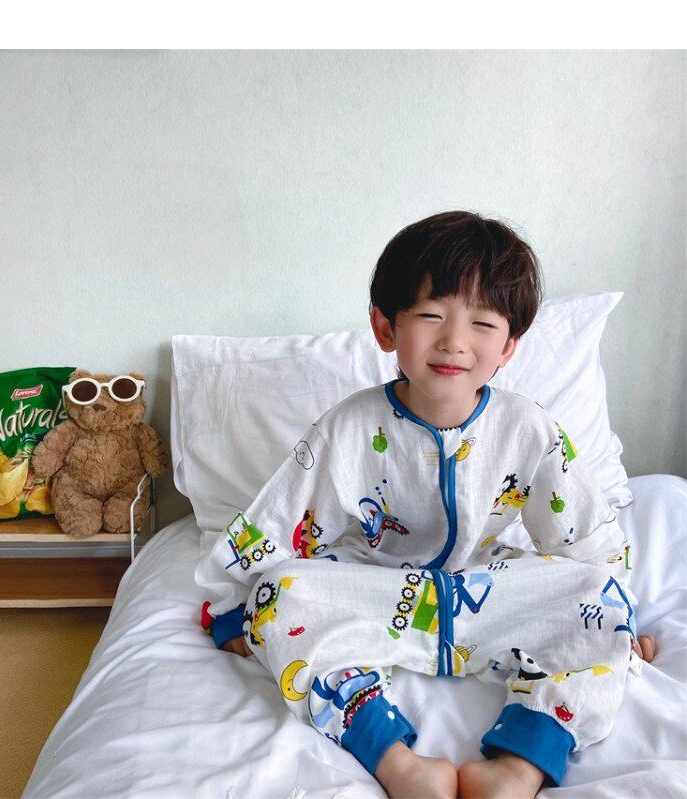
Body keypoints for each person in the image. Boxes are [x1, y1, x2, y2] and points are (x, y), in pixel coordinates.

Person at [195, 211, 656, 799]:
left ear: (509, 346)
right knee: (278, 596)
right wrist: (233, 604)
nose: (454, 341)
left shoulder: (529, 429)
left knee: (595, 596)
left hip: (487, 591)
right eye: (432, 315)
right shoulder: (348, 428)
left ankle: (518, 767)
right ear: (385, 327)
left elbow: (585, 537)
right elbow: (282, 520)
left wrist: (618, 612)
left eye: (482, 323)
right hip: (374, 587)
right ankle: (399, 763)